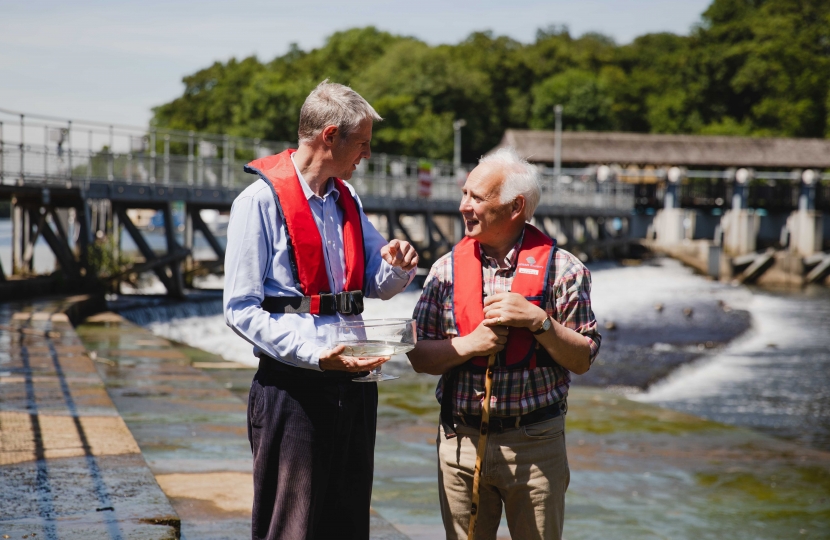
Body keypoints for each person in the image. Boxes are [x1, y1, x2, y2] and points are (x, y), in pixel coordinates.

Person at [223, 80, 418, 540]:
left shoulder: (347, 199)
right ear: (330, 136)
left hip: (355, 385)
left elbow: (377, 282)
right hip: (294, 390)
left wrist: (399, 266)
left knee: (348, 526)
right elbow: (240, 309)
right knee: (290, 529)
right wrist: (315, 356)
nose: (367, 155)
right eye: (363, 143)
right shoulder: (258, 203)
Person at [407, 147, 601, 540]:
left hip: (535, 445)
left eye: (476, 198)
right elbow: (418, 355)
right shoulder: (445, 270)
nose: (463, 206)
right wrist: (470, 345)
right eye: (464, 194)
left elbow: (583, 359)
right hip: (459, 442)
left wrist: (540, 322)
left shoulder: (564, 271)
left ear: (515, 206)